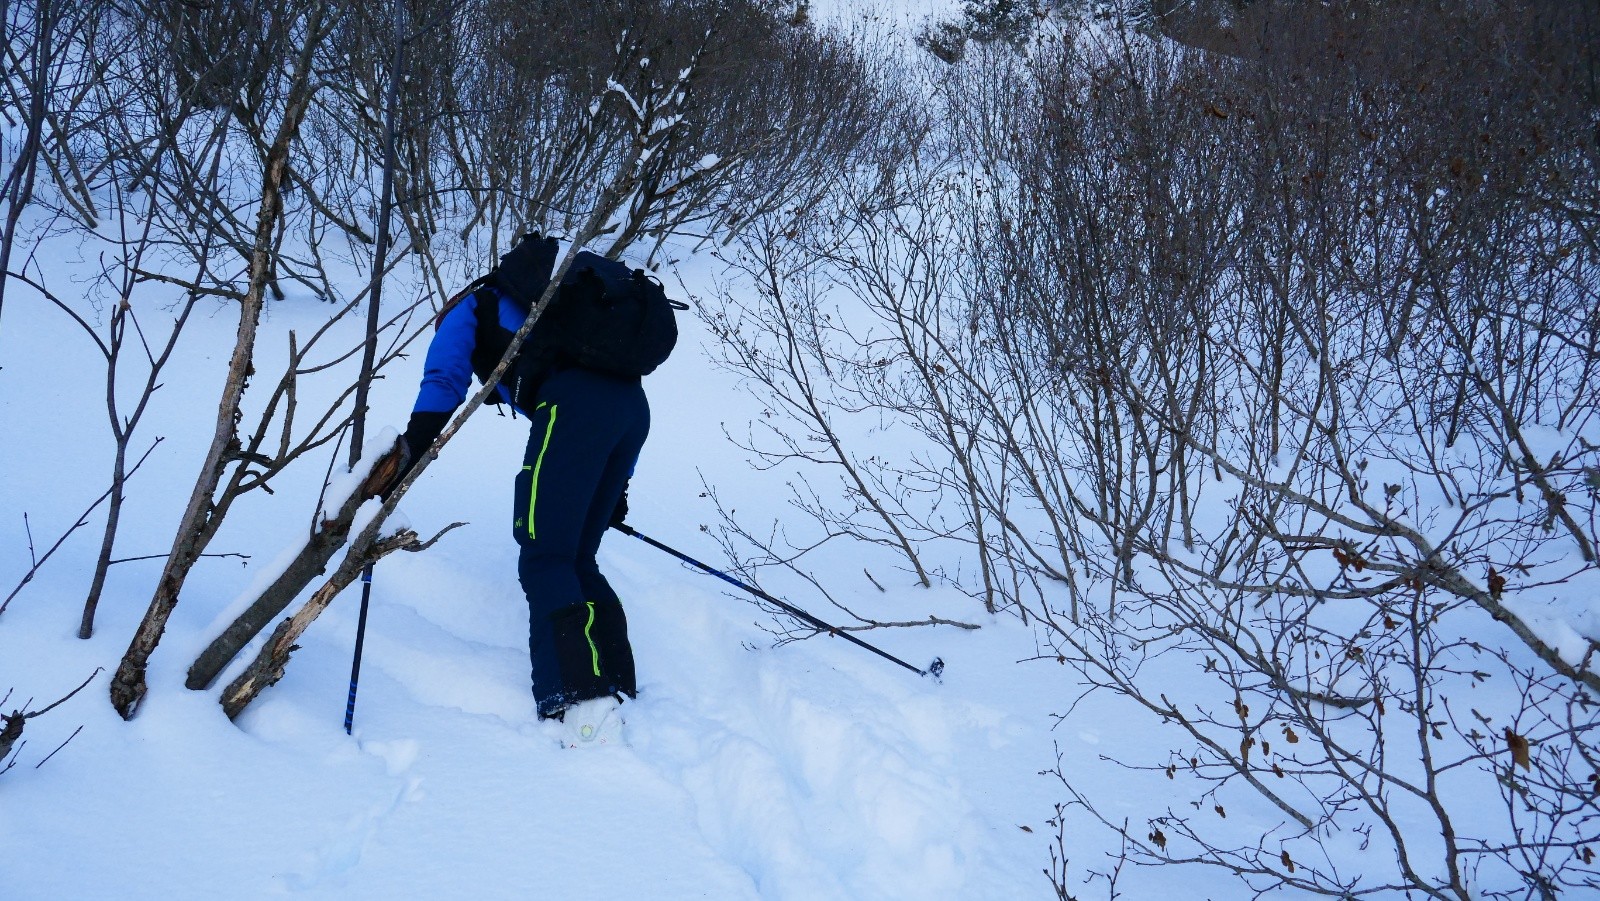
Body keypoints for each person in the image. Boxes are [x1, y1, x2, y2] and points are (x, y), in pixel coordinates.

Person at [397, 252, 646, 746]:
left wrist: (410, 450)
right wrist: (616, 489)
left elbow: (444, 380)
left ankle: (581, 702)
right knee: (578, 557)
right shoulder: (558, 314)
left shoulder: (469, 307)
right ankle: (617, 680)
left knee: (545, 559)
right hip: (631, 411)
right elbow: (608, 401)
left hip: (572, 412)